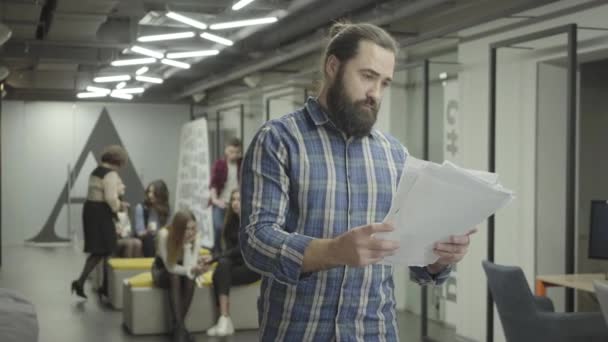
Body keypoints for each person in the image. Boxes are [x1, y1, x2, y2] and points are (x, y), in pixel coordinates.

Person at [240, 22, 476, 340]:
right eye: (367, 76)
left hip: (374, 332)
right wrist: (334, 251)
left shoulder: (394, 154)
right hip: (298, 332)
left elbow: (412, 255)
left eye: (385, 83)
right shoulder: (279, 140)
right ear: (333, 66)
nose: (375, 94)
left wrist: (438, 256)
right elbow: (256, 241)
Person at [71, 145, 129, 299]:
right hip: (100, 212)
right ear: (118, 161)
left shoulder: (96, 171)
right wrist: (119, 207)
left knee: (101, 250)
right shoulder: (110, 174)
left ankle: (88, 283)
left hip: (91, 210)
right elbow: (110, 198)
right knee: (107, 249)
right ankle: (97, 285)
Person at [206, 190, 260, 337]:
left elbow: (240, 250)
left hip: (252, 268)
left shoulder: (253, 223)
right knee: (221, 268)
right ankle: (224, 318)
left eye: (239, 199)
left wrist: (214, 258)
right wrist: (216, 258)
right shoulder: (230, 222)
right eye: (233, 199)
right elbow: (230, 253)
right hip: (235, 266)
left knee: (219, 272)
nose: (235, 202)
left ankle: (224, 320)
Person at [152, 209, 209, 342]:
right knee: (175, 276)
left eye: (193, 228)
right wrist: (191, 270)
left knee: (189, 278)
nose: (191, 232)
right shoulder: (164, 234)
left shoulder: (196, 236)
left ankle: (178, 330)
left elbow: (190, 267)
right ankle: (181, 330)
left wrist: (187, 245)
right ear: (178, 228)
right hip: (162, 271)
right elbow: (170, 267)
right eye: (186, 229)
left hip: (182, 271)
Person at [209, 138, 242, 254]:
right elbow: (213, 184)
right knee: (218, 227)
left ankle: (230, 252)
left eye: (237, 152)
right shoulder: (220, 164)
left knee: (235, 229)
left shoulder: (242, 164)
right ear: (226, 150)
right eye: (231, 151)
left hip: (237, 202)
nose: (234, 155)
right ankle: (216, 252)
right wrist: (215, 200)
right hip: (222, 202)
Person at [134, 180, 170, 257]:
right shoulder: (141, 207)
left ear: (161, 195)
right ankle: (152, 263)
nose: (150, 195)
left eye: (154, 193)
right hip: (146, 239)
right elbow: (139, 233)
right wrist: (148, 231)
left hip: (160, 238)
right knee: (149, 238)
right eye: (149, 192)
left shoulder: (165, 209)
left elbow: (167, 228)